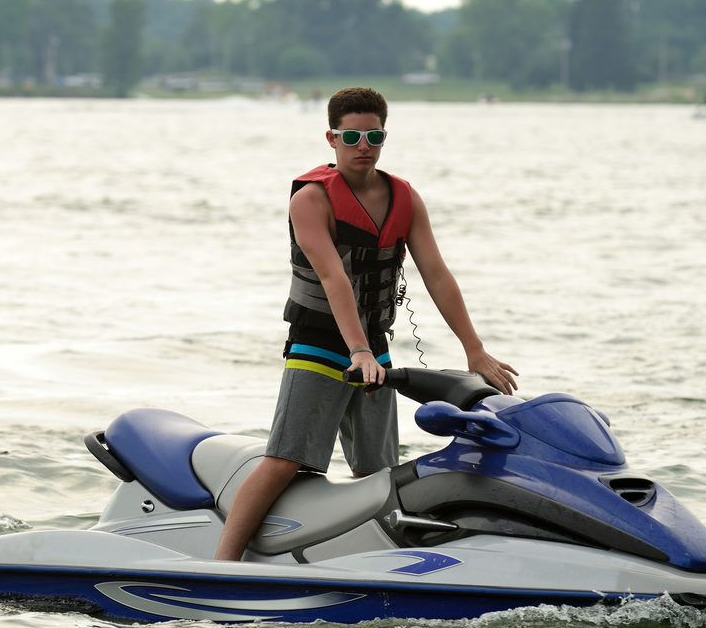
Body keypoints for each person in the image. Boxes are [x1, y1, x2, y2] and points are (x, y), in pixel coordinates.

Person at [214, 87, 517, 561]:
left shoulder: (404, 197)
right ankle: (224, 565)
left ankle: (378, 561)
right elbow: (334, 277)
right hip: (318, 345)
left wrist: (474, 350)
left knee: (380, 470)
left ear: (384, 137)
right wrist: (356, 351)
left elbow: (436, 273)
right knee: (286, 460)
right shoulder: (311, 200)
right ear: (331, 138)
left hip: (373, 348)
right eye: (351, 136)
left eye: (373, 135)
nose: (363, 145)